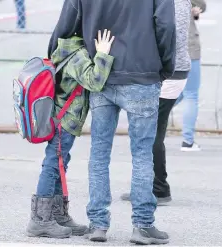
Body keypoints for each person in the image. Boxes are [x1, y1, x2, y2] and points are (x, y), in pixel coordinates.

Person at [47, 0, 176, 244]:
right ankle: (143, 225)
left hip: (101, 72)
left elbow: (66, 24)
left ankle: (98, 224)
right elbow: (167, 26)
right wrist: (164, 66)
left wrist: (53, 54)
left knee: (99, 154)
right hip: (143, 74)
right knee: (141, 154)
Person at [26, 30, 115, 239]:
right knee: (52, 164)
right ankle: (40, 220)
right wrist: (102, 54)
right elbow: (95, 81)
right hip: (64, 119)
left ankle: (58, 215)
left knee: (59, 164)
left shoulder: (66, 47)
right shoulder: (77, 54)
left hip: (62, 118)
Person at [120, 0, 192, 205]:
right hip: (169, 70)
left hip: (169, 71)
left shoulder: (175, 3)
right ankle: (148, 187)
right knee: (149, 131)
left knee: (151, 133)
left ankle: (159, 188)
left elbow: (170, 35)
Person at [174, 0, 207, 152]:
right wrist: (193, 9)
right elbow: (201, 4)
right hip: (188, 45)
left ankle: (148, 121)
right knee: (190, 94)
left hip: (167, 45)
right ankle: (188, 140)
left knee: (174, 92)